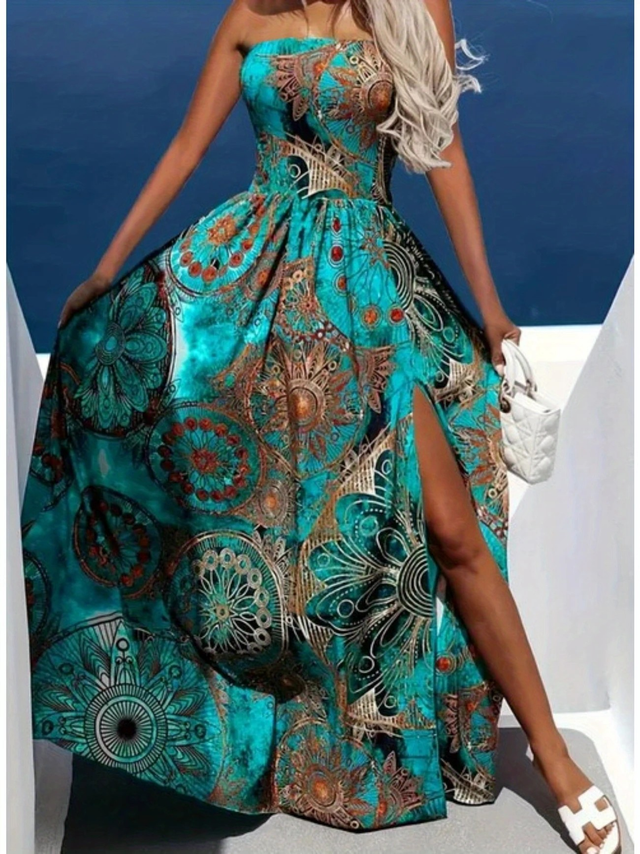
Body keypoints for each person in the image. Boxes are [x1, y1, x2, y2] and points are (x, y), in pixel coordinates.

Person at [22, 1, 621, 850]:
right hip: (262, 283)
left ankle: (556, 760)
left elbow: (443, 150)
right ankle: (273, 742)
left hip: (370, 290)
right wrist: (105, 271)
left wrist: (491, 311)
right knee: (284, 533)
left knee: (452, 530)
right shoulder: (248, 15)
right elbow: (186, 149)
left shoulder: (411, 10)